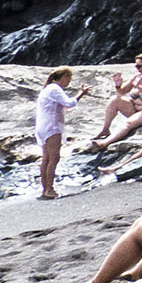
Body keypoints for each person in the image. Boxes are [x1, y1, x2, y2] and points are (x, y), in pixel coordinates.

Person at [35, 67, 93, 199]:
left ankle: (45, 189)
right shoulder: (55, 89)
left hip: (42, 126)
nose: (69, 82)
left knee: (46, 158)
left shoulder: (47, 89)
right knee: (54, 158)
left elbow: (60, 107)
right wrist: (81, 94)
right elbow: (69, 102)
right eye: (69, 78)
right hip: (52, 126)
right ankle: (49, 189)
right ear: (65, 76)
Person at [91, 54, 142, 142]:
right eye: (136, 66)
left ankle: (105, 143)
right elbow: (122, 92)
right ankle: (105, 129)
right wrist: (118, 85)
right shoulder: (137, 77)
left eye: (139, 66)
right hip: (135, 108)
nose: (137, 69)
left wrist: (139, 87)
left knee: (128, 123)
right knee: (115, 99)